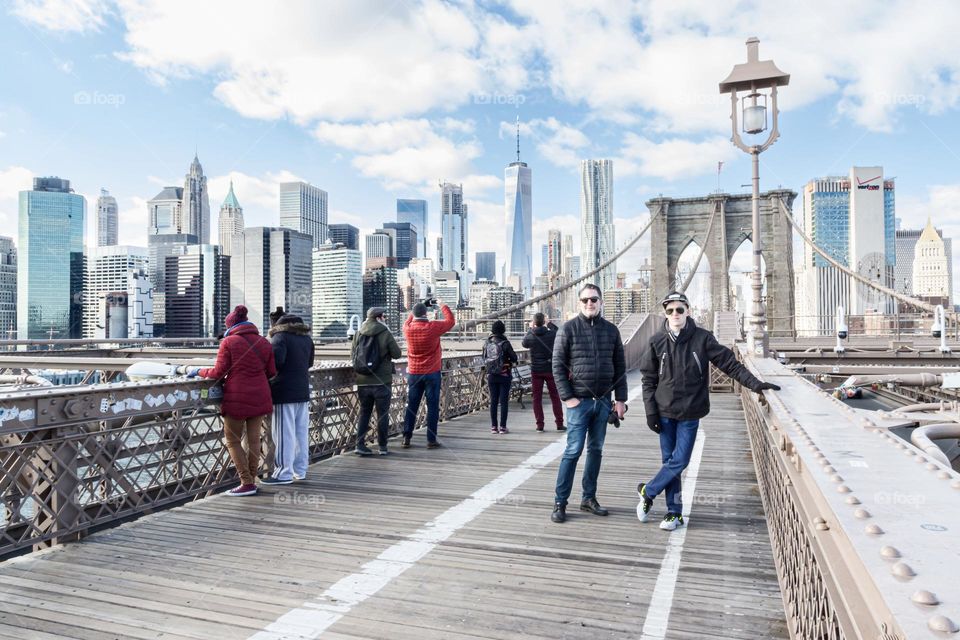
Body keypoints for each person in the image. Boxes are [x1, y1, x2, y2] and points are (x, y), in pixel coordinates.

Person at [638, 291, 781, 530]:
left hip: (691, 411)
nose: (675, 314)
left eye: (679, 310)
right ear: (665, 313)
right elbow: (648, 380)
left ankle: (648, 491)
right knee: (669, 461)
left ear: (688, 311)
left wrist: (755, 384)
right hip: (664, 411)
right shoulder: (656, 341)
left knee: (679, 460)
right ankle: (674, 513)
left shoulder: (703, 339)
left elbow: (729, 364)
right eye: (670, 310)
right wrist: (650, 411)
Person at [550, 284, 627, 523]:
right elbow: (557, 365)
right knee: (573, 451)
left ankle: (588, 498)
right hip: (579, 403)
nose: (589, 304)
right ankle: (560, 502)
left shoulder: (612, 331)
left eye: (593, 299)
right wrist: (568, 398)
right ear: (579, 304)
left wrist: (621, 399)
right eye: (584, 300)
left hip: (603, 402)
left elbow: (621, 368)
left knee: (596, 451)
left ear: (601, 302)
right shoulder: (568, 329)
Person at [188, 305, 276, 497]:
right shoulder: (264, 342)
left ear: (231, 325)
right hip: (260, 396)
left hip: (237, 397)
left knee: (233, 441)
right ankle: (252, 479)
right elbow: (271, 372)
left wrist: (198, 371)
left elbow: (218, 373)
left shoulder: (228, 342)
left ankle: (246, 482)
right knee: (254, 441)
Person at [262, 311, 315, 485]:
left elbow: (276, 363)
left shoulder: (280, 337)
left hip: (283, 391)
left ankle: (283, 473)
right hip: (302, 391)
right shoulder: (307, 339)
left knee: (284, 434)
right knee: (301, 433)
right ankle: (300, 470)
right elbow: (310, 363)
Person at [402, 298, 455, 449]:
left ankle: (407, 437)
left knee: (412, 405)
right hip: (432, 372)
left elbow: (409, 319)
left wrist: (418, 309)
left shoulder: (407, 328)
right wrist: (441, 303)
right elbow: (450, 321)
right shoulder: (433, 327)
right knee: (432, 406)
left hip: (414, 373)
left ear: (414, 314)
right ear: (426, 313)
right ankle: (431, 439)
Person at [352, 306, 402, 456]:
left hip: (363, 382)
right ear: (380, 317)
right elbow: (397, 354)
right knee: (382, 414)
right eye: (384, 316)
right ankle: (382, 447)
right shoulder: (385, 332)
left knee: (364, 413)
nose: (385, 318)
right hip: (382, 382)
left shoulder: (358, 333)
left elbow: (353, 355)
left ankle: (359, 444)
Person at [521, 313, 565, 432]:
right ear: (544, 321)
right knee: (555, 397)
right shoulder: (551, 334)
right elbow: (560, 332)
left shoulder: (531, 335)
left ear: (534, 322)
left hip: (536, 371)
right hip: (550, 369)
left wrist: (531, 328)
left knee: (537, 398)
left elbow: (524, 343)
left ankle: (540, 425)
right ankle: (559, 424)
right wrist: (549, 323)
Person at [485, 320, 519, 434]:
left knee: (493, 401)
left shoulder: (487, 343)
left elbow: (483, 357)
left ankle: (494, 427)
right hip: (504, 375)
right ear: (503, 330)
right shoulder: (505, 343)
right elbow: (514, 358)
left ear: (492, 330)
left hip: (491, 376)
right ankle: (503, 427)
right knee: (504, 402)